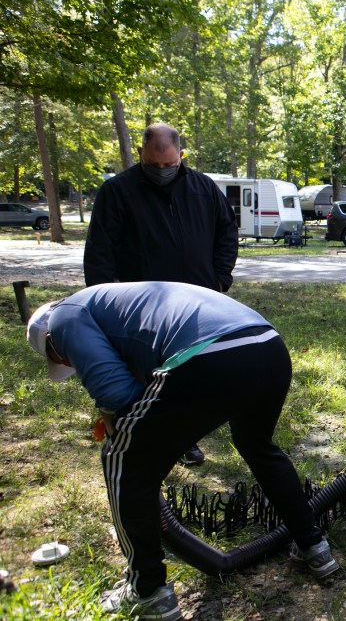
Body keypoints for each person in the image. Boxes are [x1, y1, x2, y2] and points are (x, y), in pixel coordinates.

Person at [26, 282, 339, 620]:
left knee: (122, 458)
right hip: (267, 346)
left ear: (50, 345)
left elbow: (118, 395)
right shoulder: (111, 302)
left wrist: (120, 423)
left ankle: (147, 591)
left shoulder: (62, 318)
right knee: (257, 445)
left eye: (62, 360)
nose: (68, 364)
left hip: (211, 355)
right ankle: (314, 546)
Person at [84, 122, 239, 466]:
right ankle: (140, 437)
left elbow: (227, 232)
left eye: (169, 165)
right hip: (141, 306)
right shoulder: (117, 192)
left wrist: (220, 278)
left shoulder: (203, 188)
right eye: (153, 166)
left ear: (181, 156)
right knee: (147, 376)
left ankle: (187, 439)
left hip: (198, 300)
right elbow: (100, 251)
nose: (162, 172)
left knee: (190, 372)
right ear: (140, 154)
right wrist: (100, 301)